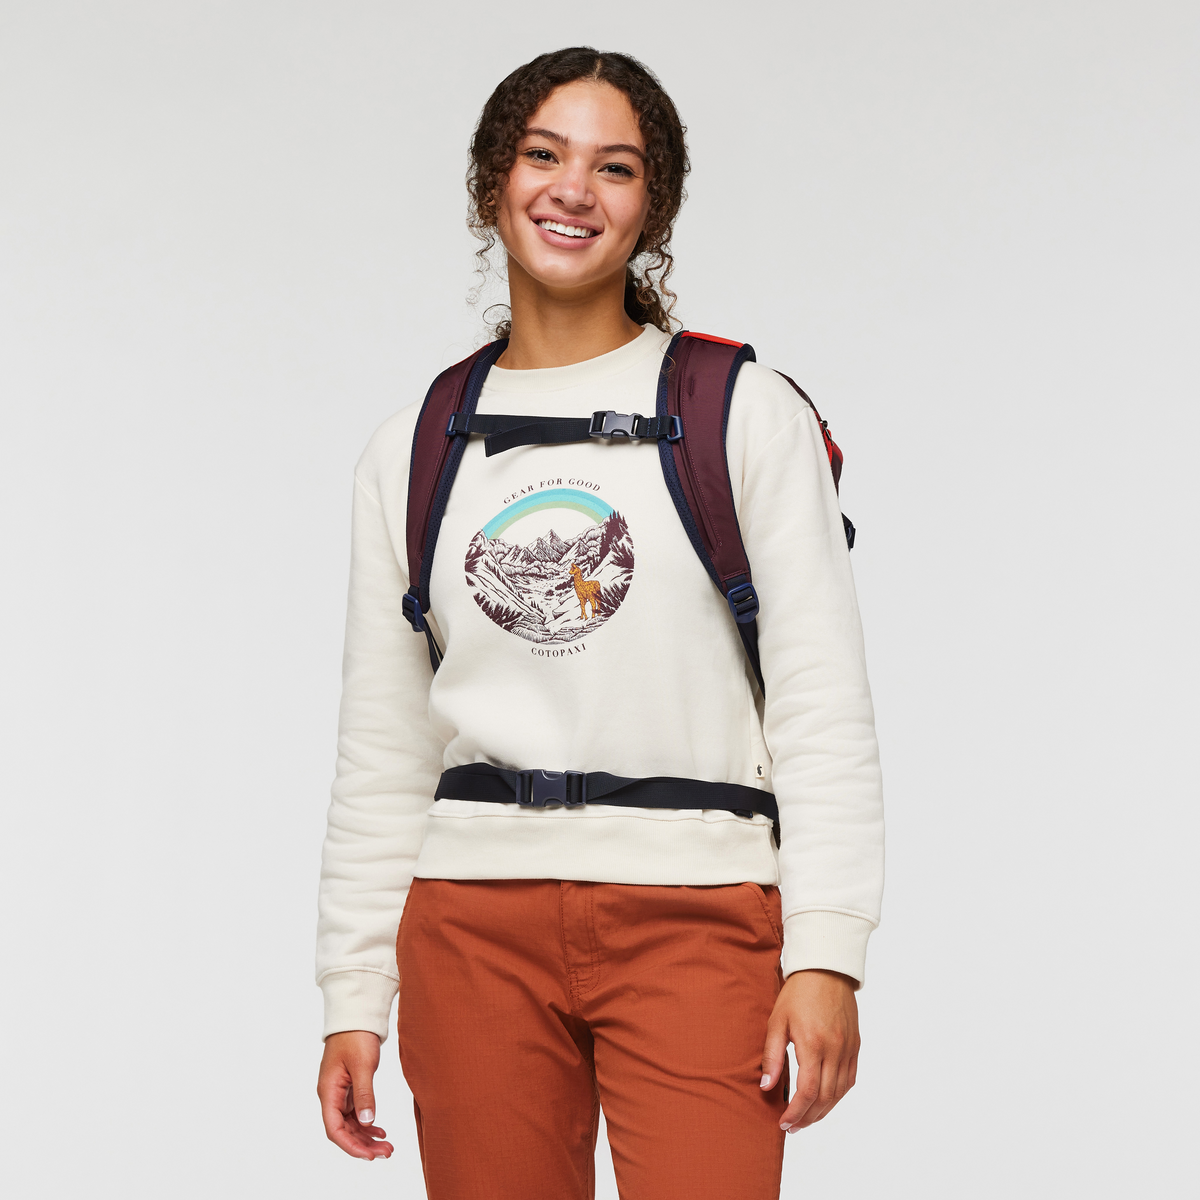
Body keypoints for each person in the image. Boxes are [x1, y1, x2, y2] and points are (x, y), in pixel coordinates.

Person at [315, 46, 884, 1200]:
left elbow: (820, 703)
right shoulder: (414, 446)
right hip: (469, 930)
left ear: (651, 207)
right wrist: (353, 994)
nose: (573, 189)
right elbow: (384, 747)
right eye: (544, 155)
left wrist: (827, 951)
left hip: (700, 918)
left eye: (614, 167)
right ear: (493, 181)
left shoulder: (742, 415)